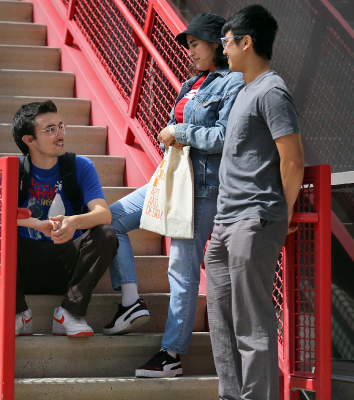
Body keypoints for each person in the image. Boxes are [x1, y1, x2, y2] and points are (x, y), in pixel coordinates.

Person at [102, 13, 245, 378]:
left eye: (195, 44)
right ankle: (131, 302)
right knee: (110, 219)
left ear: (216, 43)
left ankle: (172, 354)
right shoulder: (191, 83)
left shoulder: (233, 84)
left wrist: (181, 131)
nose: (190, 52)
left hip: (200, 190)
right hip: (171, 179)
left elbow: (225, 138)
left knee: (181, 271)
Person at [204, 5, 305, 399]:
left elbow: (293, 159)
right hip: (225, 224)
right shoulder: (245, 90)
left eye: (226, 43)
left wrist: (284, 212)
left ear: (246, 42)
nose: (222, 50)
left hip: (254, 220)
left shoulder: (273, 90)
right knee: (223, 324)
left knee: (252, 324)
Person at [12, 100, 119, 338]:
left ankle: (68, 313)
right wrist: (37, 224)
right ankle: (18, 313)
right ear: (28, 140)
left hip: (67, 263)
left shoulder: (79, 166)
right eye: (50, 130)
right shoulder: (14, 172)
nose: (60, 134)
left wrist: (74, 223)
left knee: (106, 235)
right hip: (25, 266)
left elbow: (104, 214)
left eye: (60, 126)